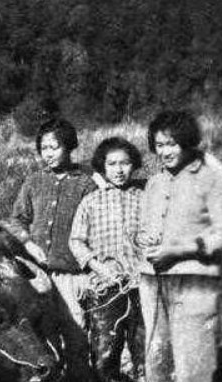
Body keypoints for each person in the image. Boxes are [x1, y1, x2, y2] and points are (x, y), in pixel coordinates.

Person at [135, 110, 222, 382]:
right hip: (152, 281)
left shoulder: (210, 179)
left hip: (195, 283)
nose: (165, 152)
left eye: (172, 144)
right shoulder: (154, 182)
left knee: (193, 366)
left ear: (187, 142)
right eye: (160, 145)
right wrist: (144, 239)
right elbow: (143, 228)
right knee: (157, 362)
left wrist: (179, 249)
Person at [5, 118, 96, 328]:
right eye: (44, 148)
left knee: (76, 329)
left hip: (72, 274)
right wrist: (27, 243)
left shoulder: (86, 183)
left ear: (69, 146)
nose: (48, 154)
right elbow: (16, 220)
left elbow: (94, 228)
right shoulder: (34, 181)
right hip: (36, 273)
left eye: (54, 147)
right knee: (40, 330)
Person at [70, 137, 145, 382]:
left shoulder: (145, 197)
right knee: (104, 354)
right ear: (102, 166)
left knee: (144, 350)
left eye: (125, 163)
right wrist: (98, 267)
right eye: (112, 164)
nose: (119, 170)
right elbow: (76, 241)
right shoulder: (91, 201)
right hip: (105, 289)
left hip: (142, 286)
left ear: (134, 165)